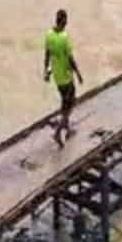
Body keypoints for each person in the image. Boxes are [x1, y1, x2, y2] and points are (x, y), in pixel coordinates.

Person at [44, 10, 83, 147]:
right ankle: (58, 132)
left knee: (64, 101)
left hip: (57, 76)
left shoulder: (49, 35)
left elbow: (47, 54)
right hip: (66, 77)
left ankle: (67, 128)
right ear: (64, 21)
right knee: (70, 103)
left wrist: (46, 71)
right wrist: (78, 73)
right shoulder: (64, 38)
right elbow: (70, 59)